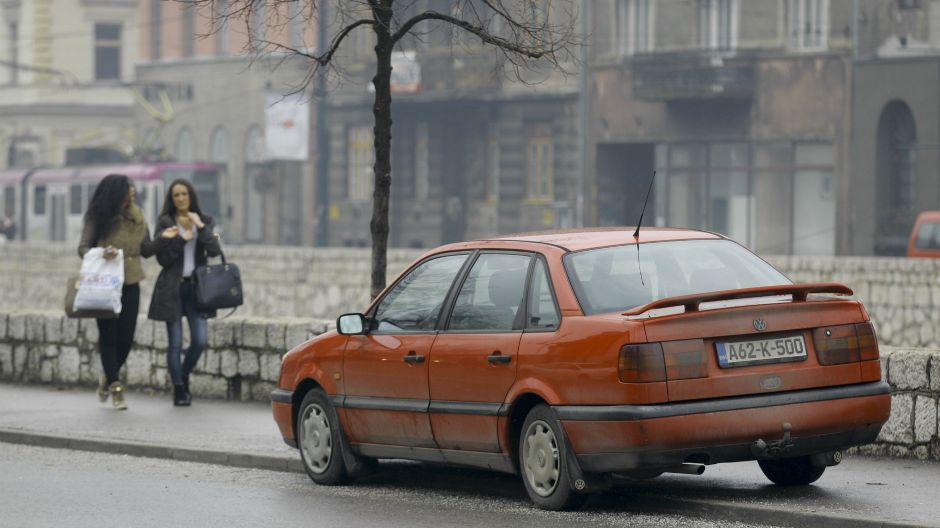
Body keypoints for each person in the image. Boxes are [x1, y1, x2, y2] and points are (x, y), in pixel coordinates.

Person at [79, 174, 166, 410]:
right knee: (108, 336)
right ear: (116, 193)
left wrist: (163, 239)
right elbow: (83, 247)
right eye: (129, 191)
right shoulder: (100, 216)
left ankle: (108, 376)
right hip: (105, 283)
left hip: (131, 281)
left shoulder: (138, 216)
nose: (133, 194)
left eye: (133, 191)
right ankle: (116, 387)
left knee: (126, 338)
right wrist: (102, 252)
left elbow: (146, 250)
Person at [148, 179, 221, 406]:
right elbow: (163, 259)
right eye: (176, 195)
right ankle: (179, 389)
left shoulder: (205, 220)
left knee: (200, 340)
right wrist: (180, 239)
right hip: (173, 288)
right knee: (175, 343)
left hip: (197, 289)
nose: (180, 199)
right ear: (171, 199)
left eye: (184, 194)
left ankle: (183, 373)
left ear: (191, 196)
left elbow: (214, 251)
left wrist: (200, 227)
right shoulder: (165, 222)